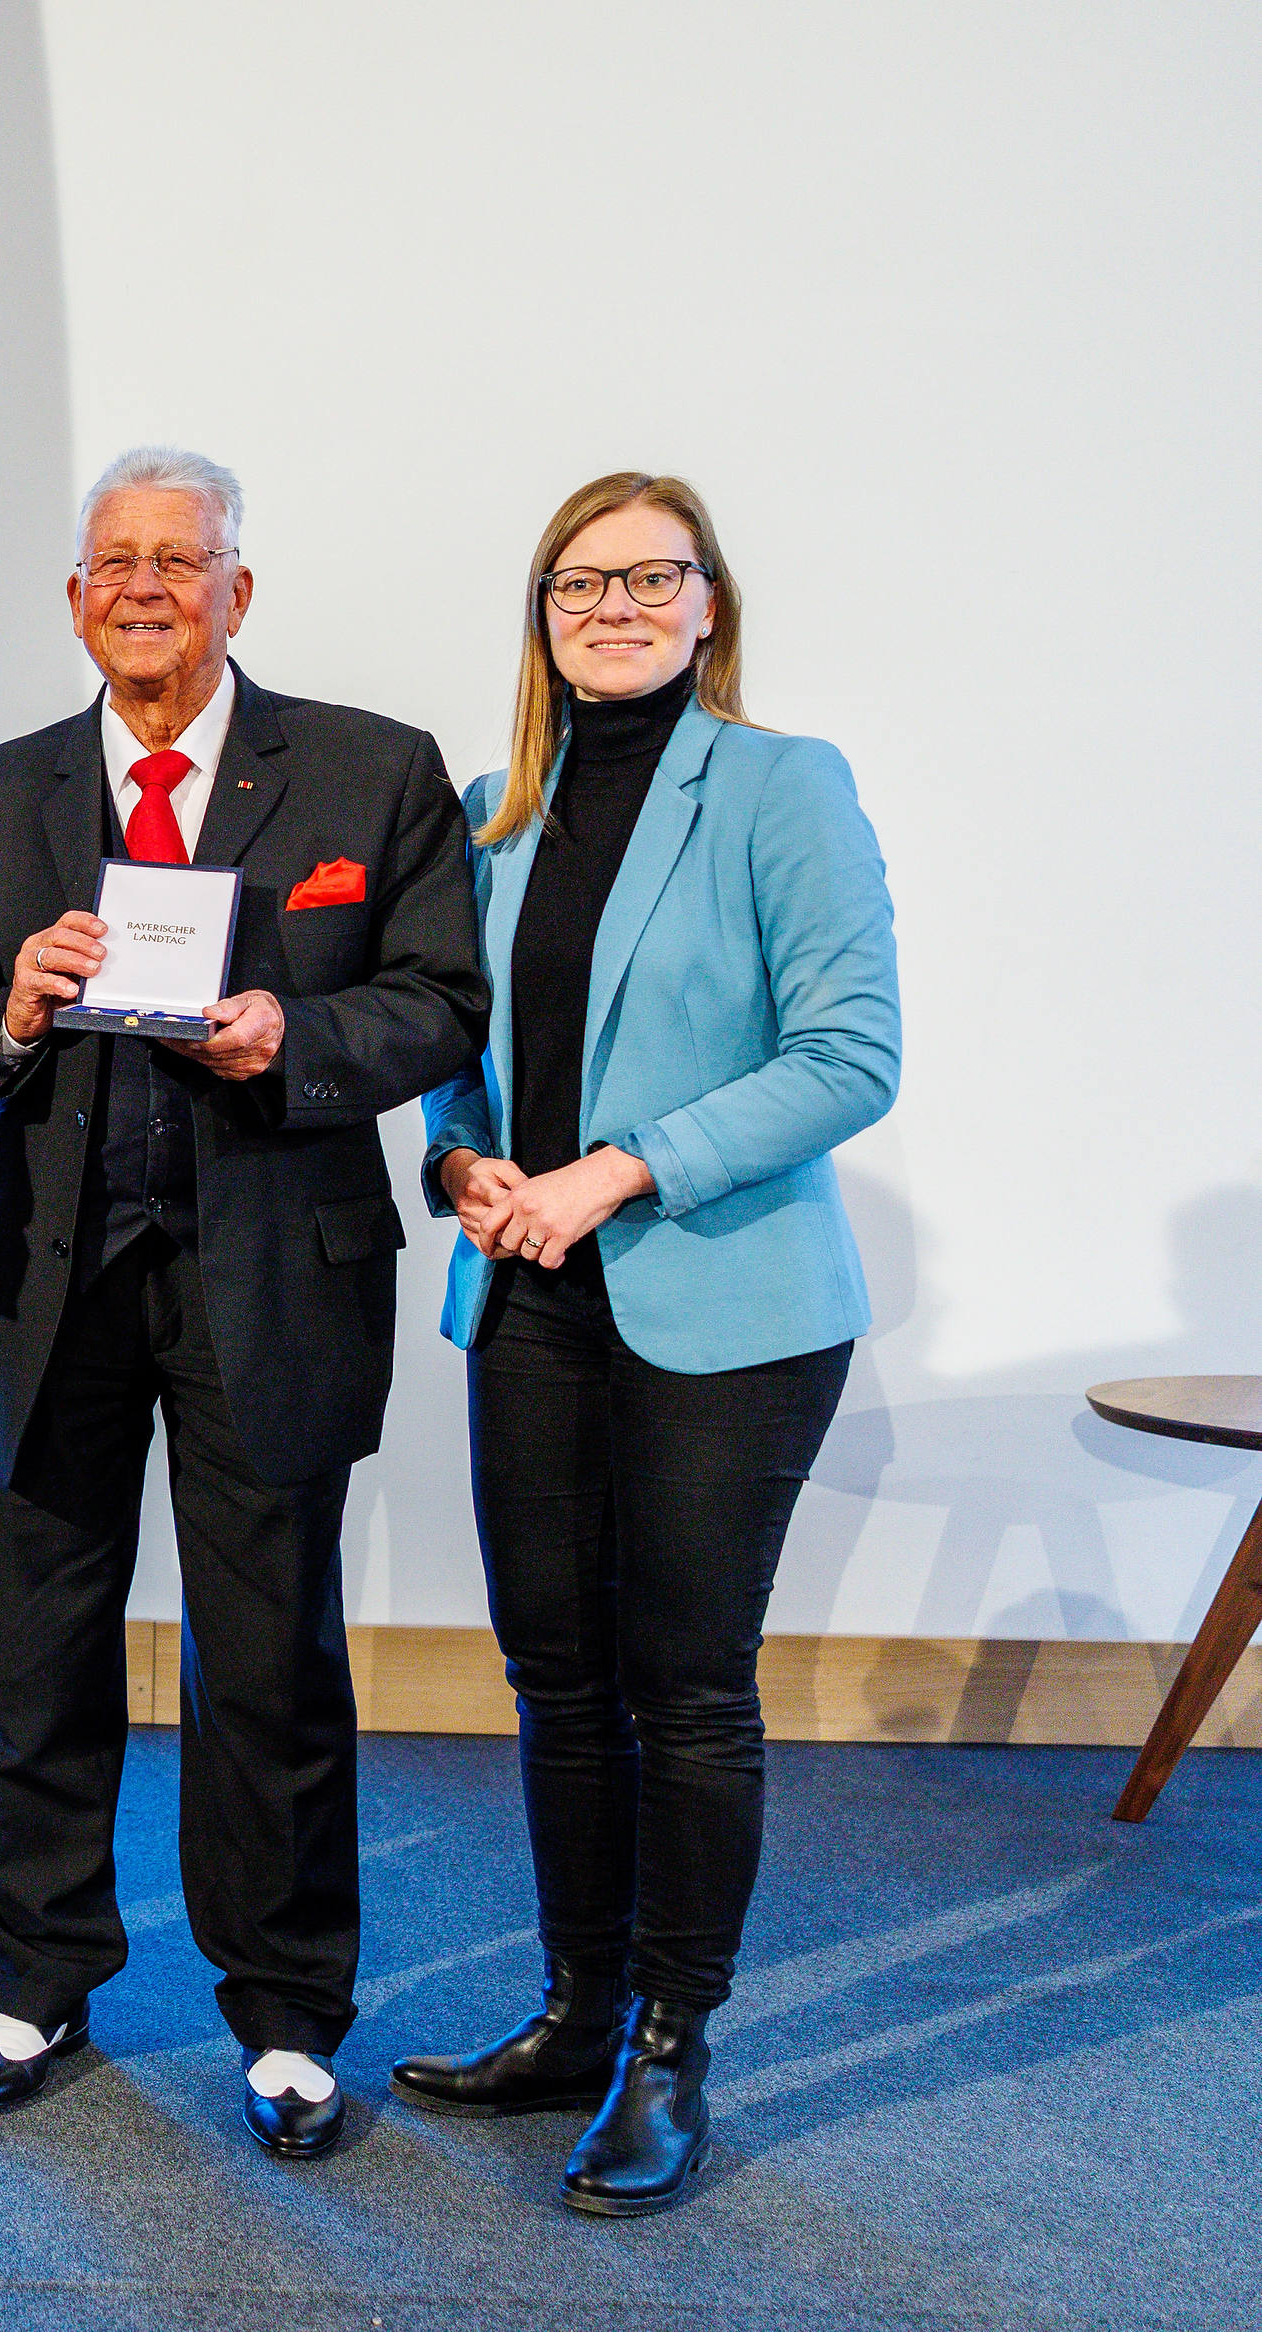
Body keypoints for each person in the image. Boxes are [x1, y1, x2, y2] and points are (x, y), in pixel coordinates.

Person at [0, 446, 486, 2156]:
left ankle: (290, 2011)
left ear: (241, 590)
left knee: (270, 1660)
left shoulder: (373, 772)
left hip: (276, 1279)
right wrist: (13, 1015)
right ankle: (35, 1980)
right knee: (39, 1648)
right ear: (75, 598)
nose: (148, 588)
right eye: (118, 562)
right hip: (54, 1278)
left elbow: (443, 1002)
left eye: (183, 560)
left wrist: (294, 1036)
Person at [390, 474, 897, 2216]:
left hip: (727, 1306)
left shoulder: (781, 786)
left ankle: (672, 2047)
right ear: (541, 615)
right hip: (528, 1297)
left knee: (684, 1681)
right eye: (578, 582)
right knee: (555, 1674)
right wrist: (460, 1163)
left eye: (649, 577)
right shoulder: (494, 810)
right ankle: (579, 2013)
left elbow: (851, 1054)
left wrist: (621, 1169)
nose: (614, 607)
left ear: (708, 601)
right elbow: (463, 1049)